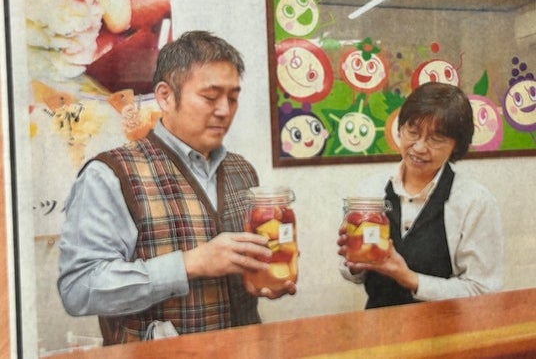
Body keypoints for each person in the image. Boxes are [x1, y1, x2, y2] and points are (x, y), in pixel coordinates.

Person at [58, 30, 296, 344]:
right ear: (165, 96)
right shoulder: (111, 174)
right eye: (210, 97)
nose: (224, 110)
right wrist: (188, 264)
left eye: (232, 98)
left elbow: (247, 266)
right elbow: (78, 289)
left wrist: (264, 276)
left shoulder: (242, 171)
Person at [337, 82, 503, 309]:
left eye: (436, 139)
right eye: (412, 132)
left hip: (447, 326)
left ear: (456, 145)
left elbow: (483, 290)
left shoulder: (474, 202)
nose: (419, 147)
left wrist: (410, 279)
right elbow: (352, 274)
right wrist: (355, 263)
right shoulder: (371, 189)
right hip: (378, 323)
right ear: (400, 129)